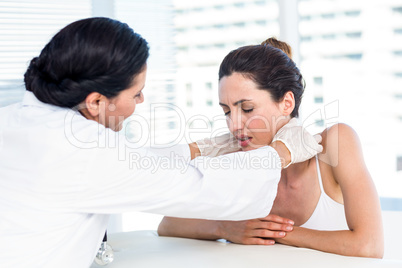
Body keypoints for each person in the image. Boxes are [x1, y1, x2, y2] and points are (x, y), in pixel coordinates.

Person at [0, 19, 322, 268]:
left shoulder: (18, 120)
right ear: (97, 101)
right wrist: (281, 151)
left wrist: (200, 148)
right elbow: (197, 188)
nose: (142, 100)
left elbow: (135, 160)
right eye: (135, 92)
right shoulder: (85, 151)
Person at [158, 37, 384, 258]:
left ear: (287, 103)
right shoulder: (239, 159)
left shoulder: (335, 143)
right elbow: (167, 224)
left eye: (246, 109)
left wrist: (278, 232)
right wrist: (225, 228)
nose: (233, 125)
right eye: (227, 111)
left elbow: (369, 245)